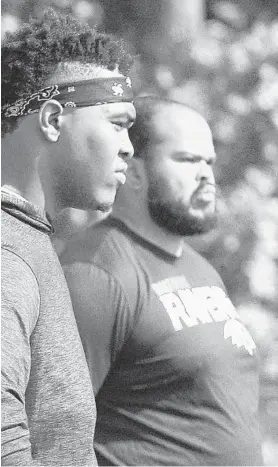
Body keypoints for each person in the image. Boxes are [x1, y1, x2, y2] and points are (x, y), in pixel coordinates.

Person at [61, 96, 262, 466]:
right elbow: (50, 425)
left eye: (209, 161)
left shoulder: (201, 268)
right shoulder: (98, 273)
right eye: (187, 160)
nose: (206, 175)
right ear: (134, 171)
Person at [1, 9, 135, 466]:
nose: (129, 147)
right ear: (54, 120)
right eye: (118, 123)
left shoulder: (28, 239)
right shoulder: (7, 256)